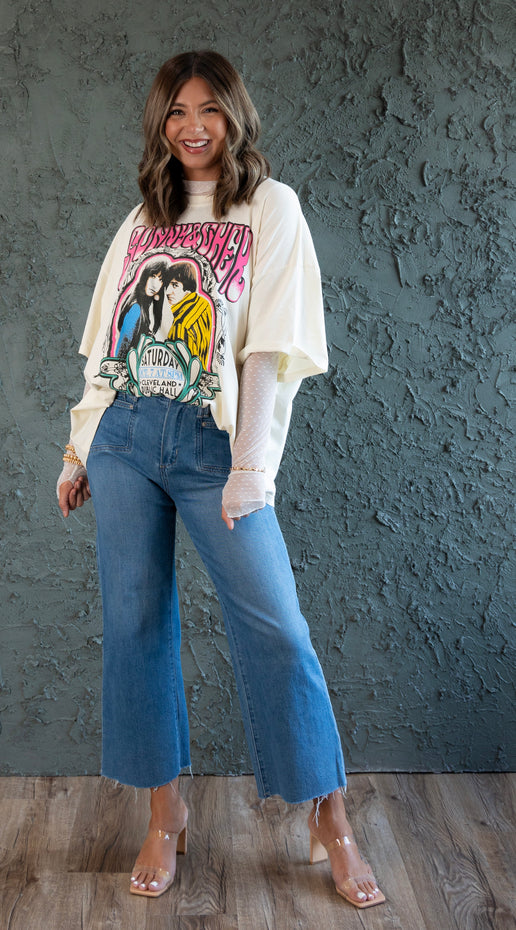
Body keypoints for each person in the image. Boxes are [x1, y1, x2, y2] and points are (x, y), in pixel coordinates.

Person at [57, 50, 385, 910]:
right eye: (175, 112)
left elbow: (269, 350)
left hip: (215, 447)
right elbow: (111, 345)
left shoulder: (270, 208)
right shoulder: (144, 219)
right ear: (159, 126)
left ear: (234, 115)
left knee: (278, 627)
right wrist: (79, 450)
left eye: (207, 109)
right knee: (134, 623)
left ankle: (331, 819)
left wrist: (251, 470)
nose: (192, 126)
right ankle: (166, 815)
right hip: (127, 439)